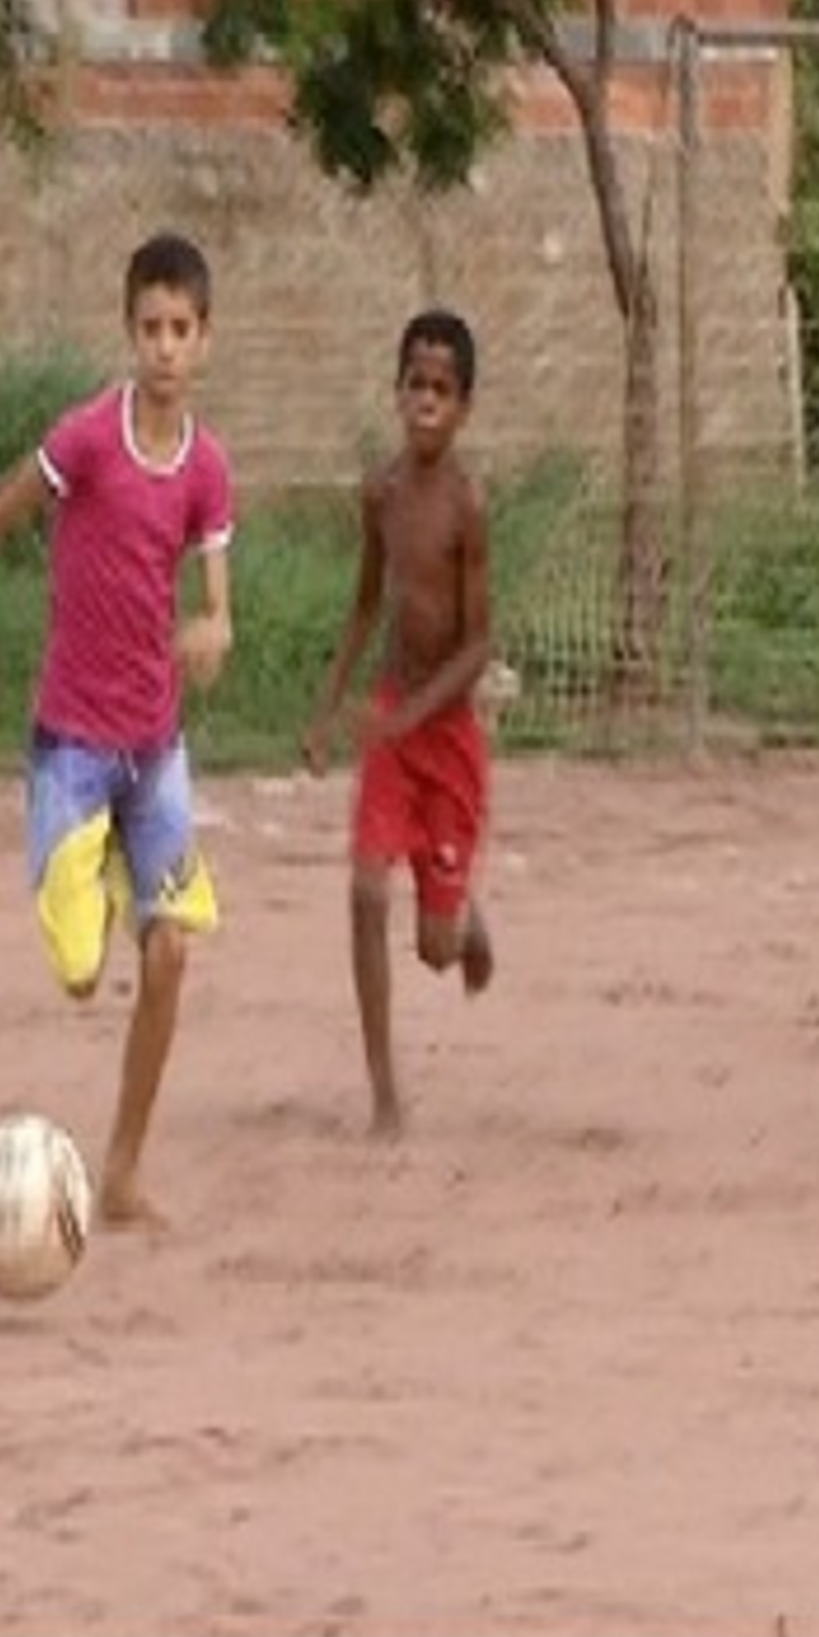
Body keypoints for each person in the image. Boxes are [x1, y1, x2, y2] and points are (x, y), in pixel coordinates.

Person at [0, 232, 234, 1227]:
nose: (164, 347)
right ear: (129, 335)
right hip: (72, 750)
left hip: (153, 751)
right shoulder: (85, 439)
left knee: (170, 954)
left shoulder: (206, 466)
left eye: (181, 329)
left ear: (204, 340)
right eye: (149, 328)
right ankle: (83, 873)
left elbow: (217, 598)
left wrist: (213, 625)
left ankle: (120, 1171)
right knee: (83, 975)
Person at [303, 309, 494, 1137]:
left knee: (436, 948)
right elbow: (365, 605)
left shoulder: (467, 507)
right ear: (397, 392)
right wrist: (327, 706)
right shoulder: (379, 493)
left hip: (444, 738)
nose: (425, 400)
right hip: (389, 721)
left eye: (442, 389)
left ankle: (464, 918)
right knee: (364, 893)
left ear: (463, 408)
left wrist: (418, 714)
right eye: (414, 384)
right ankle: (384, 1092)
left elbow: (481, 642)